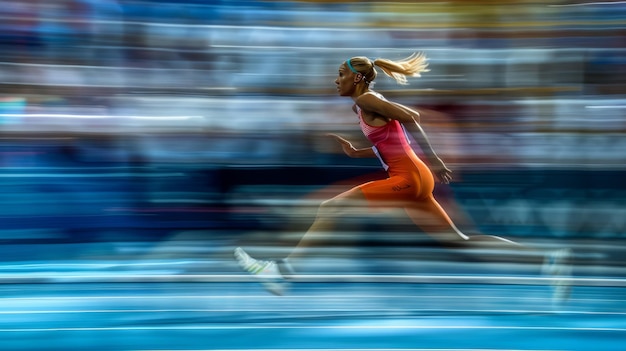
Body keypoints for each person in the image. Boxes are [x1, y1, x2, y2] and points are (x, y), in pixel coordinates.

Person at [234, 52, 572, 301]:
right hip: (414, 177)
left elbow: (411, 117)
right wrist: (357, 152)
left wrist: (437, 160)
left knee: (331, 208)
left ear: (358, 78)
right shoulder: (362, 105)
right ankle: (547, 260)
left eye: (339, 74)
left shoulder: (367, 99)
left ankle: (281, 272)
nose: (335, 80)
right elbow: (393, 142)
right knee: (463, 241)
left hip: (411, 177)